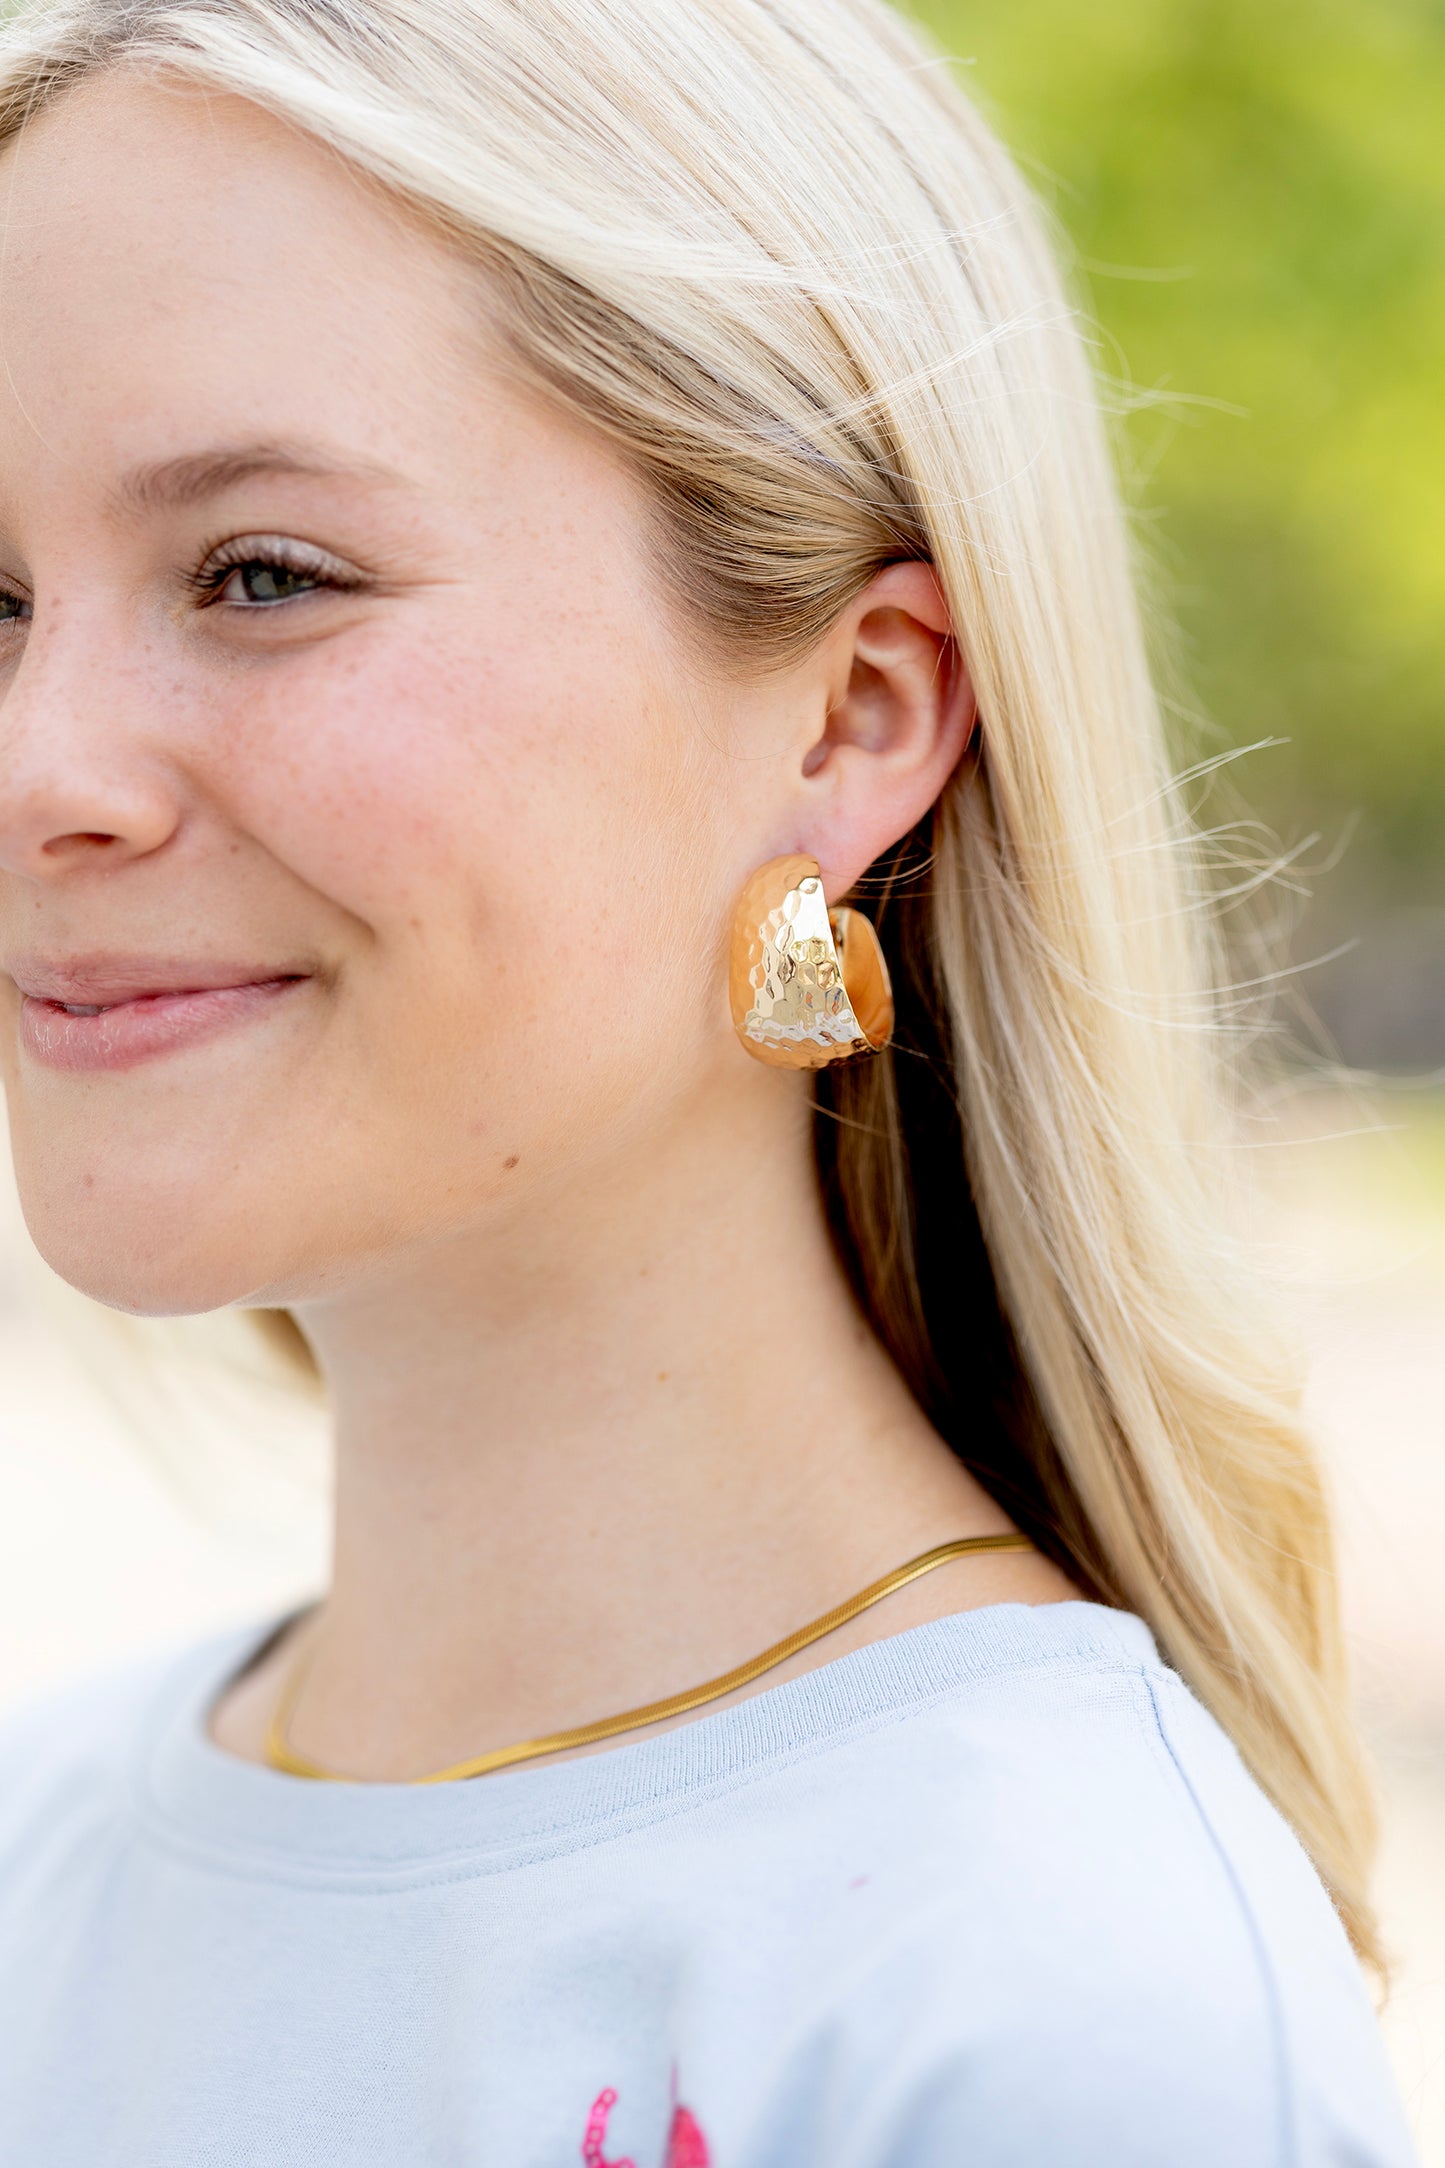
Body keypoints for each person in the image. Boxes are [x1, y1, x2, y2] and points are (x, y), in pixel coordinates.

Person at [0, 0, 1417, 2160]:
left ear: (852, 718)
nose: (43, 770)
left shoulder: (1050, 2015)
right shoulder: (46, 1844)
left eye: (265, 574)